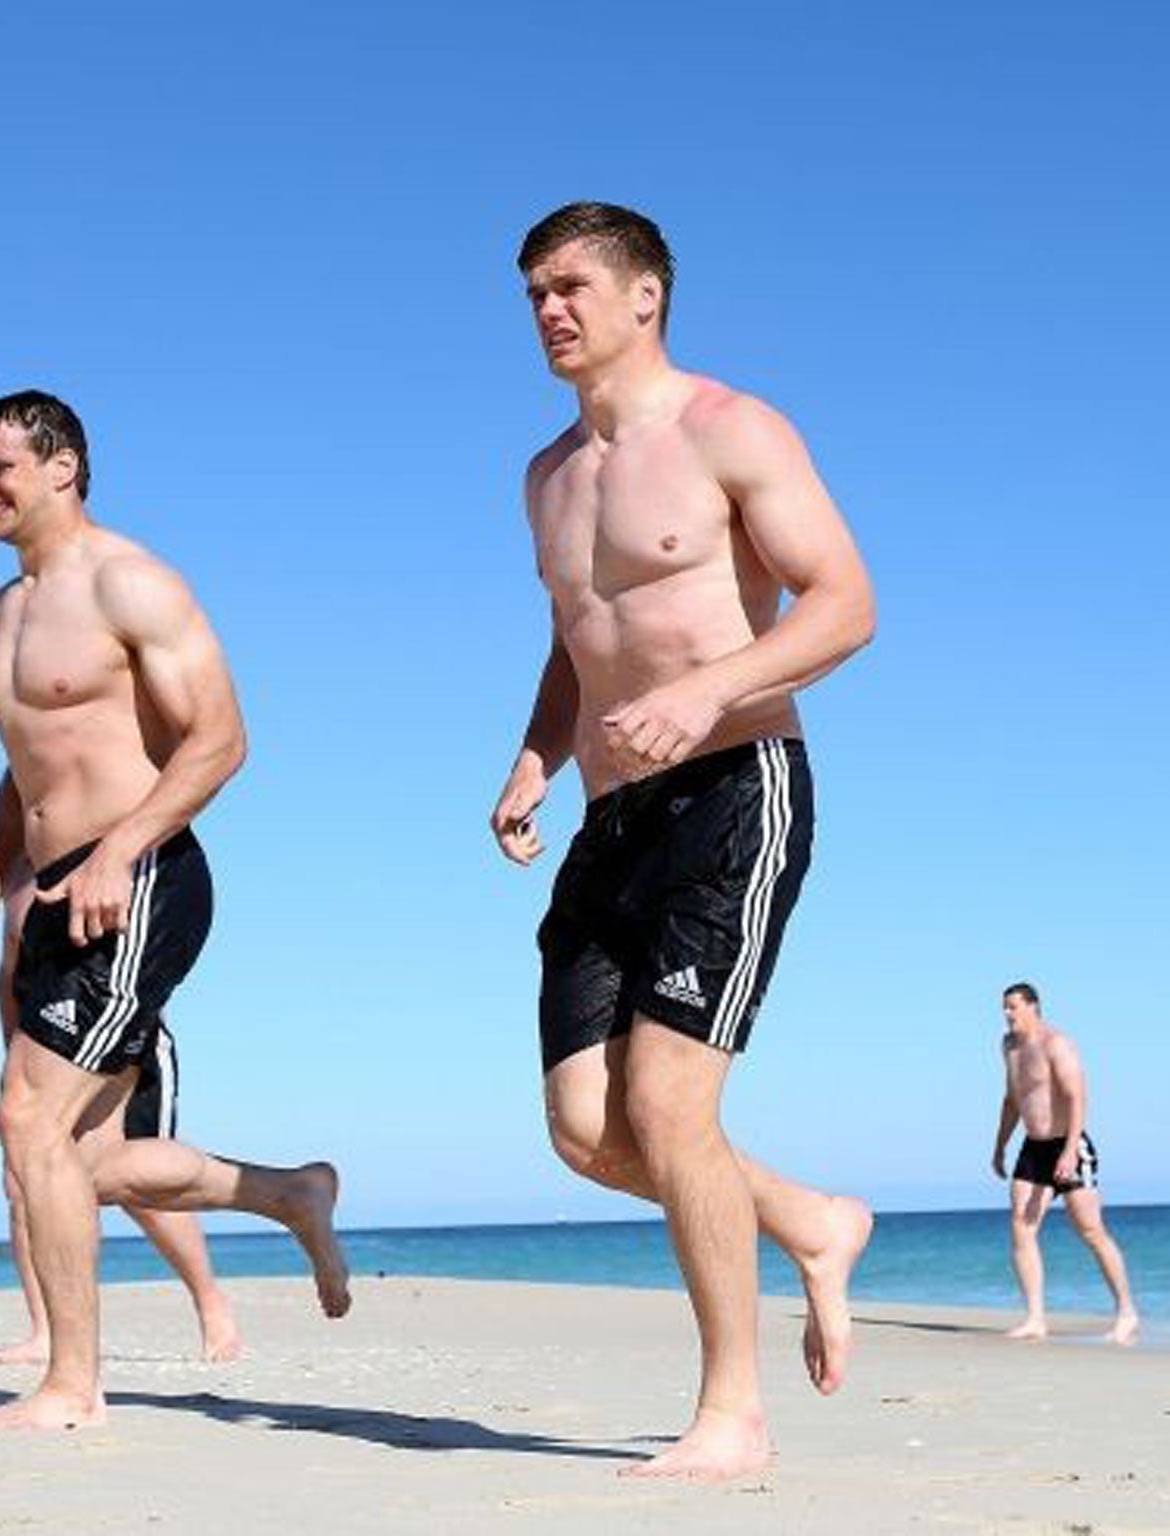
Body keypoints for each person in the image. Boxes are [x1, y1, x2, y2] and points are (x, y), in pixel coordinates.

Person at [490, 202, 877, 1479]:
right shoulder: (547, 474)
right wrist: (534, 758)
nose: (548, 310)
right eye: (532, 291)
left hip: (735, 785)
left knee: (667, 1102)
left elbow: (846, 604)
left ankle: (731, 1414)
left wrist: (709, 689)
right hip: (612, 811)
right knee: (588, 1132)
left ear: (643, 296)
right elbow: (577, 637)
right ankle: (810, 1222)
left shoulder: (730, 430)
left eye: (569, 287)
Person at [0, 389, 348, 1432]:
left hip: (144, 876)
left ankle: (72, 1387)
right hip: (56, 889)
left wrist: (120, 848)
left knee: (25, 1118)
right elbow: (20, 770)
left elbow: (221, 738)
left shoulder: (131, 583)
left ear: (62, 467)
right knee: (84, 1162)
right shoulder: (2, 610)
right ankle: (291, 1192)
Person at [0, 821, 241, 1366]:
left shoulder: (95, 857)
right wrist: (15, 1072)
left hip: (127, 1044)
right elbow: (10, 979)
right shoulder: (19, 882)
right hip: (44, 1043)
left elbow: (133, 970)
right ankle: (45, 1330)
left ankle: (212, 1303)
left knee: (134, 1187)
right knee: (24, 1180)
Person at [990, 983, 1139, 1344]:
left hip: (1068, 1144)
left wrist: (1071, 1150)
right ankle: (1035, 1318)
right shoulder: (1008, 1047)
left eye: (1013, 1007)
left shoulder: (1056, 1043)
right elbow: (1012, 1100)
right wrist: (999, 1147)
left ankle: (1126, 1312)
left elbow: (1077, 1097)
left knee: (1090, 1230)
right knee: (1021, 1227)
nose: (1007, 1014)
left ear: (1033, 1007)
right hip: (1033, 1147)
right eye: (1004, 1008)